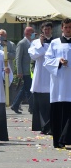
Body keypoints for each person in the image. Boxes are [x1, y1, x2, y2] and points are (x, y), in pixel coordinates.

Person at [43, 18, 71, 149]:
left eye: (70, 27)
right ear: (62, 28)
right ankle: (58, 141)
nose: (68, 30)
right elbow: (47, 61)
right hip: (59, 85)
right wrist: (58, 61)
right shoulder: (54, 43)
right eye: (66, 27)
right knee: (58, 113)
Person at [28, 22, 53, 135]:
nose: (46, 31)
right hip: (40, 76)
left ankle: (51, 126)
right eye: (45, 29)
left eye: (48, 29)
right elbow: (33, 55)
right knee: (41, 104)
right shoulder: (35, 43)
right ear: (42, 30)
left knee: (51, 104)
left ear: (51, 30)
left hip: (52, 75)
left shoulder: (56, 42)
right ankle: (43, 126)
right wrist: (41, 45)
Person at [11, 26, 35, 114]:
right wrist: (19, 71)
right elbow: (18, 58)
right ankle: (32, 108)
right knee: (28, 89)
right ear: (27, 33)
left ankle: (15, 105)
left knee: (26, 88)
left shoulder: (32, 42)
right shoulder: (22, 43)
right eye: (32, 32)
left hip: (31, 71)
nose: (34, 34)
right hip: (25, 71)